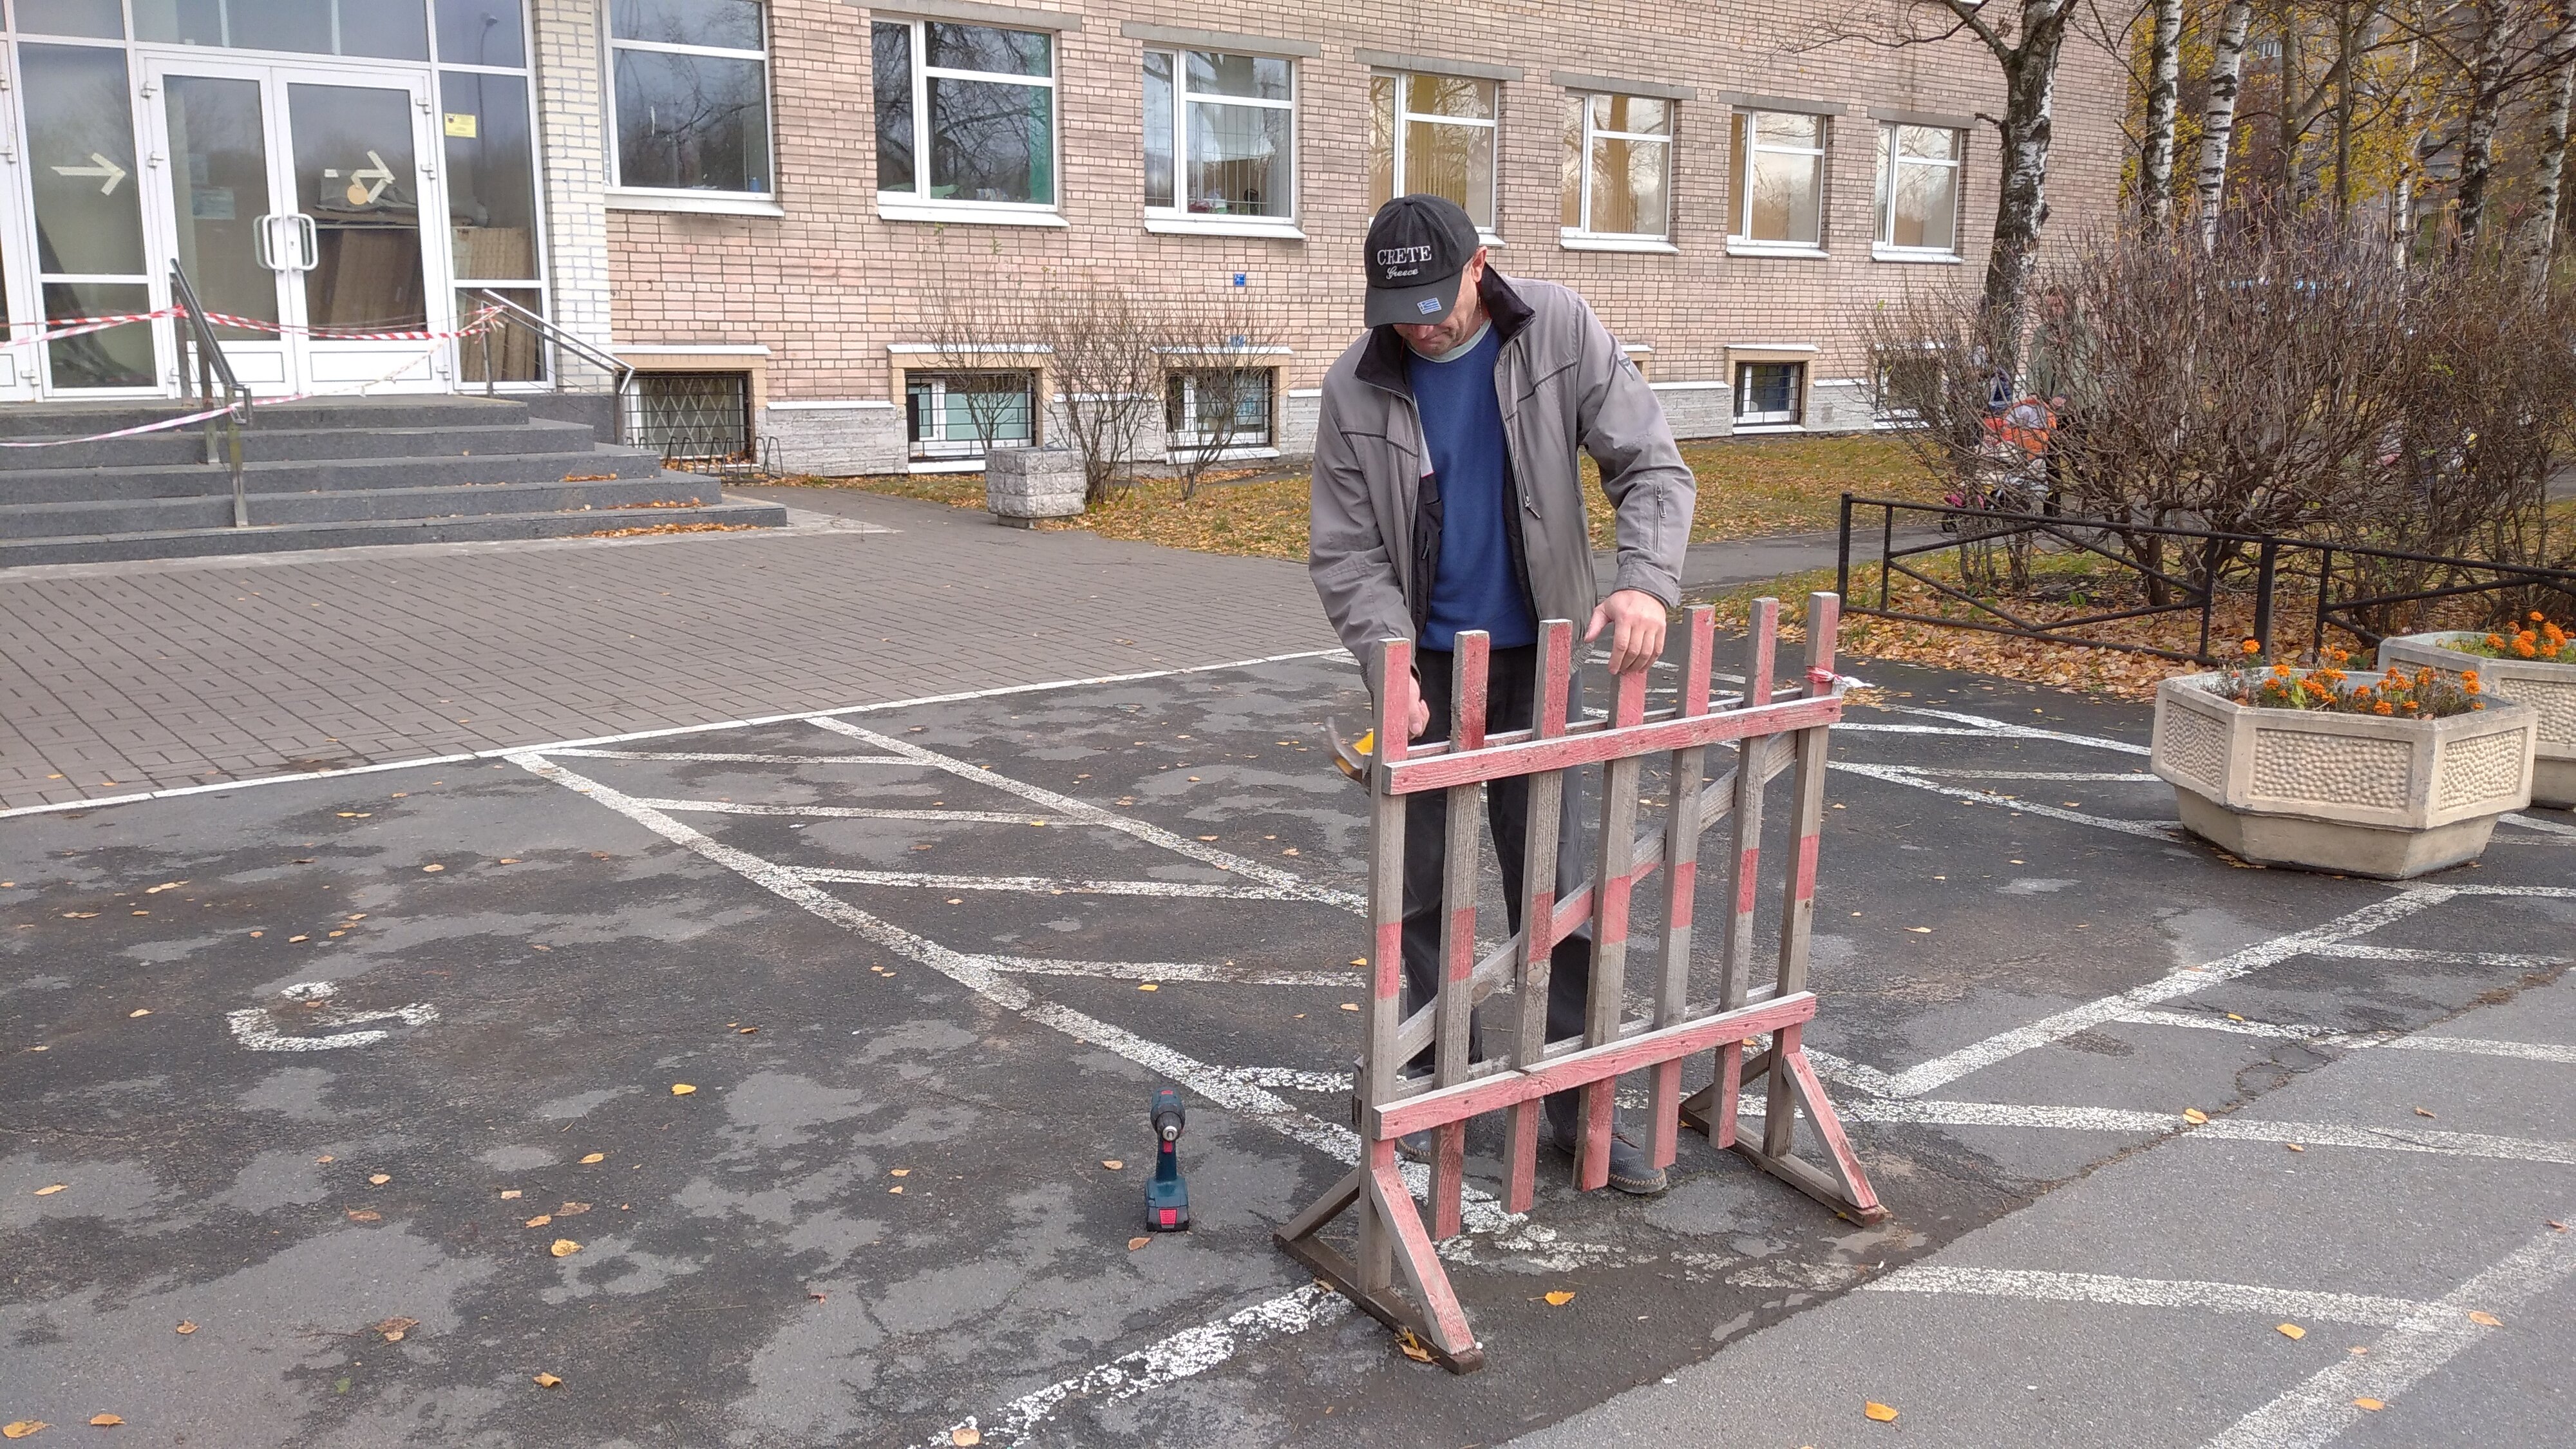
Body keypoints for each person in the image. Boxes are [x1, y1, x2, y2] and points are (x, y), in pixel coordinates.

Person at [1309, 194, 1696, 1195]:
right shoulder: (1355, 384)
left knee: (1560, 885)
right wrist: (1389, 665)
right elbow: (1347, 551)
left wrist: (1646, 581)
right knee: (1422, 890)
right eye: (1400, 306)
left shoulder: (1558, 328)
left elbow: (1651, 464)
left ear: (1483, 265)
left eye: (1436, 298)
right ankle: (1439, 1087)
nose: (1421, 323)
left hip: (1546, 653)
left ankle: (1578, 1102)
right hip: (1428, 667)